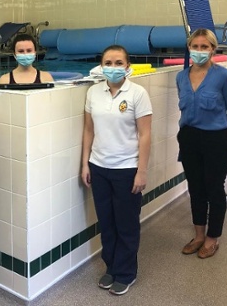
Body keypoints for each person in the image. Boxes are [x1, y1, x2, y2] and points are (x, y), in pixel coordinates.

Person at [81, 44, 152, 296]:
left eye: (118, 63)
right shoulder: (93, 92)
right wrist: (85, 163)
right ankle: (111, 267)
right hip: (99, 167)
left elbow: (145, 135)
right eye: (108, 63)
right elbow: (88, 130)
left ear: (127, 66)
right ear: (101, 66)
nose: (113, 68)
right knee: (107, 222)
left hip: (126, 169)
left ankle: (126, 273)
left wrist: (141, 171)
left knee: (126, 223)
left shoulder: (138, 93)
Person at [176, 28, 227, 259]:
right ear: (189, 48)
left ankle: (213, 238)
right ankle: (199, 235)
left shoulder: (224, 77)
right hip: (189, 138)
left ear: (213, 49)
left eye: (205, 47)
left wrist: (224, 135)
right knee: (195, 189)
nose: (200, 51)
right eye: (196, 46)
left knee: (214, 189)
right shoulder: (181, 77)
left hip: (216, 139)